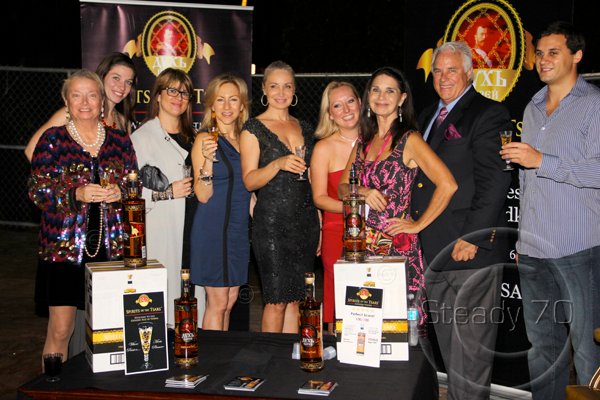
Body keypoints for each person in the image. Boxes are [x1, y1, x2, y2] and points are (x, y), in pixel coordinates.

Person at [500, 21, 600, 400]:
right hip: (533, 250)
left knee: (588, 351)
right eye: (539, 53)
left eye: (553, 52)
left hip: (579, 248)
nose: (543, 60)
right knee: (542, 349)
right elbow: (527, 181)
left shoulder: (594, 105)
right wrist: (522, 239)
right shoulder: (533, 106)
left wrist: (543, 160)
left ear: (577, 55)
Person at [411, 41, 512, 400]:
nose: (443, 77)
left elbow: (496, 180)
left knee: (470, 358)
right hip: (435, 251)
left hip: (469, 253)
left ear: (469, 72)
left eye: (451, 70)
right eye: (438, 71)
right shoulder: (426, 116)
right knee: (452, 355)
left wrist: (473, 236)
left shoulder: (488, 113)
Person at [28, 69, 137, 363]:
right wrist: (76, 194)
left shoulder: (120, 140)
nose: (85, 102)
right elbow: (37, 190)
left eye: (91, 95)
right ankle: (53, 384)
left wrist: (121, 192)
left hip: (111, 249)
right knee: (61, 330)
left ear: (102, 101)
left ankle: (101, 384)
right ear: (67, 101)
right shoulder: (53, 140)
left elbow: (134, 184)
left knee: (109, 331)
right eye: (77, 95)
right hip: (63, 251)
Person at [338, 67, 457, 335]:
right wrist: (363, 192)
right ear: (368, 97)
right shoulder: (364, 141)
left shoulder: (409, 140)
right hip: (361, 246)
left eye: (389, 91)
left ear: (402, 98)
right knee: (365, 328)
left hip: (396, 249)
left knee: (398, 329)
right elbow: (342, 188)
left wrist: (417, 225)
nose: (381, 97)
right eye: (376, 90)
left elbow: (448, 184)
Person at [240, 60, 319, 334]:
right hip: (272, 223)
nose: (281, 92)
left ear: (294, 89)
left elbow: (311, 179)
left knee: (297, 299)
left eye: (287, 86)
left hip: (305, 221)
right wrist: (277, 164)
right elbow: (249, 180)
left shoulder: (304, 127)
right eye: (274, 86)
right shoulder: (253, 128)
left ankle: (289, 356)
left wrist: (318, 220)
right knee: (276, 300)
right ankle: (268, 356)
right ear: (264, 89)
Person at [130, 68, 194, 329]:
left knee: (193, 304)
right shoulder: (141, 138)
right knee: (165, 308)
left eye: (184, 93)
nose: (178, 97)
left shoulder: (195, 138)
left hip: (194, 230)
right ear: (157, 95)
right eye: (172, 90)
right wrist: (168, 193)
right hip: (163, 233)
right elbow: (129, 195)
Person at [189, 73, 251, 331]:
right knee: (217, 302)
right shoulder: (205, 139)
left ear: (242, 105)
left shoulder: (247, 140)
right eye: (220, 100)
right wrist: (206, 161)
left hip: (238, 230)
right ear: (212, 105)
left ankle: (221, 354)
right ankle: (211, 354)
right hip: (213, 229)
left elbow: (249, 190)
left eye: (233, 99)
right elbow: (202, 195)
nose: (227, 106)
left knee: (231, 299)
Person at [310, 81, 361, 333]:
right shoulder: (324, 148)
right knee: (339, 302)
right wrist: (355, 210)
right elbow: (319, 198)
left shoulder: (378, 141)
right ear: (329, 114)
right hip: (336, 232)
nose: (346, 110)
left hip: (376, 234)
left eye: (350, 101)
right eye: (337, 106)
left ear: (360, 103)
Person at [24, 52, 137, 161]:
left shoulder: (123, 122)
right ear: (103, 76)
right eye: (116, 78)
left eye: (128, 82)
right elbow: (31, 150)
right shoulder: (71, 113)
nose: (122, 87)